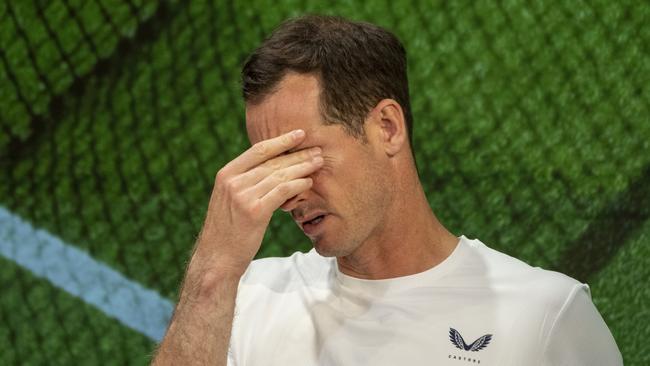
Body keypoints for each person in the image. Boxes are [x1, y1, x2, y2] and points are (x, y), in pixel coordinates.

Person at [151, 15, 623, 366]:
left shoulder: (545, 318)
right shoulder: (250, 297)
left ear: (387, 128)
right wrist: (214, 269)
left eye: (300, 156)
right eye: (270, 164)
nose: (287, 193)